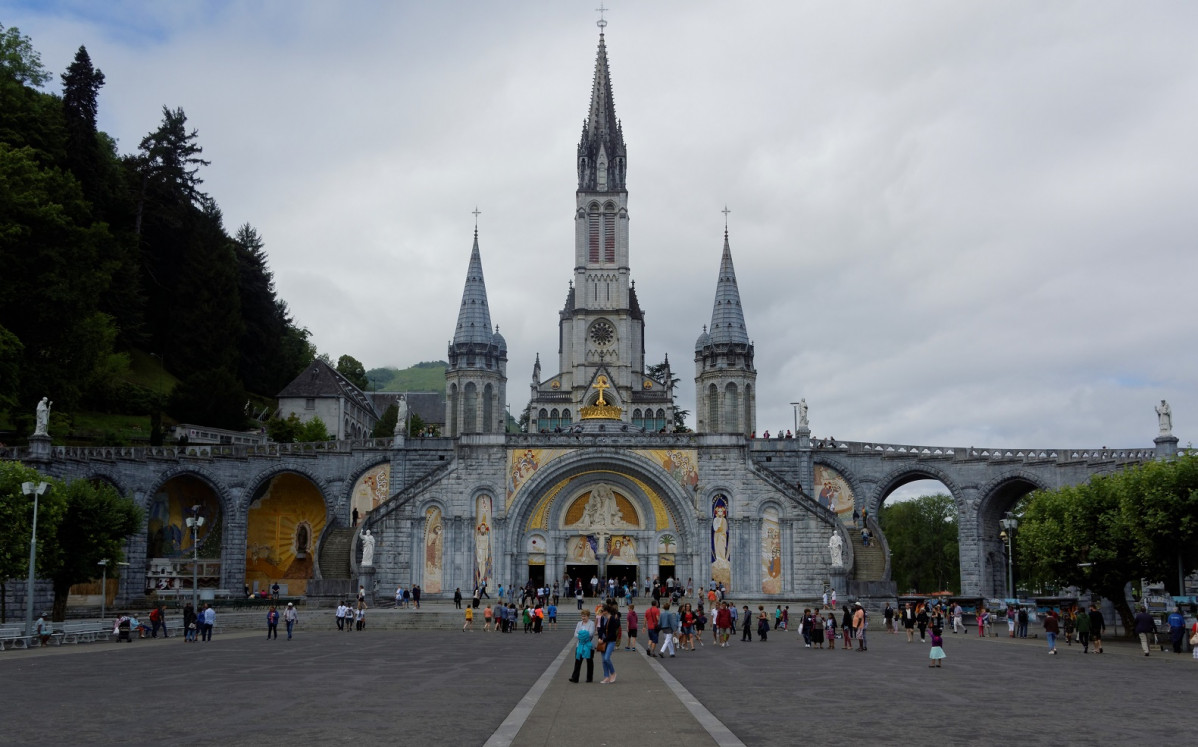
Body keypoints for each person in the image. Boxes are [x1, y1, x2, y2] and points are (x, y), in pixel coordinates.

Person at [569, 609, 596, 683]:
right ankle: (575, 678)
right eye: (582, 616)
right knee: (578, 660)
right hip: (580, 644)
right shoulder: (579, 623)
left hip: (589, 645)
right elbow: (575, 634)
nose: (583, 618)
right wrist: (583, 635)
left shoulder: (592, 623)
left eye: (585, 616)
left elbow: (590, 633)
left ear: (588, 616)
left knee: (589, 661)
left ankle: (589, 678)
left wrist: (581, 634)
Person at [599, 602, 621, 683]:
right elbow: (600, 628)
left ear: (607, 611)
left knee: (607, 658)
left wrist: (603, 640)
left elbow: (612, 633)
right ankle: (606, 676)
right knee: (603, 660)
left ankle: (613, 673)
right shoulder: (602, 618)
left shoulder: (611, 619)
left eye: (602, 611)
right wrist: (599, 637)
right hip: (603, 640)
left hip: (610, 640)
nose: (601, 612)